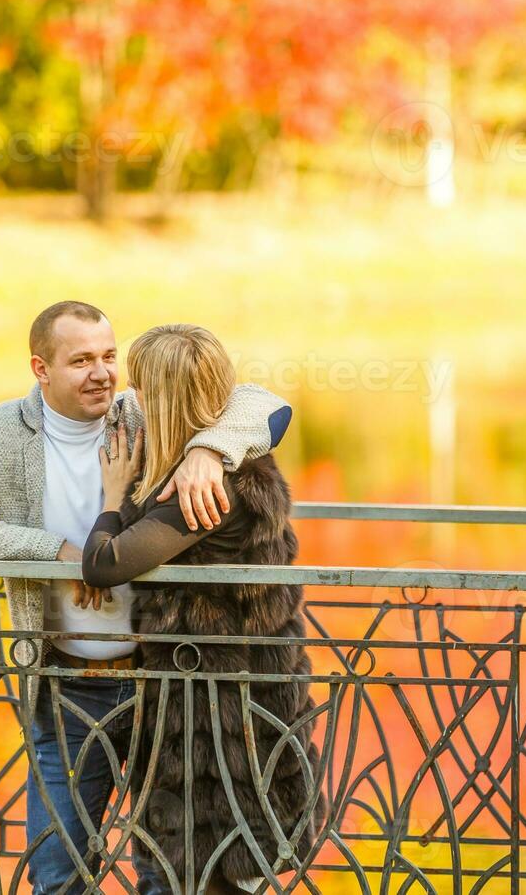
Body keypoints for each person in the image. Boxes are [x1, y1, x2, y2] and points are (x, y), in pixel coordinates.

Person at [0, 301, 293, 895]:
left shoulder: (141, 412)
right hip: (67, 690)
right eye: (82, 360)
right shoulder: (1, 431)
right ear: (41, 368)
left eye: (110, 357)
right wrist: (57, 551)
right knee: (59, 871)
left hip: (160, 685)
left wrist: (207, 451)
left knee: (168, 873)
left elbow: (263, 404)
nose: (102, 374)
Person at [83, 324, 325, 894]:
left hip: (221, 724)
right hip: (220, 701)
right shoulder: (213, 461)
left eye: (142, 388)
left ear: (167, 401)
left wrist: (115, 500)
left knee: (208, 870)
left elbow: (105, 564)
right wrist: (205, 446)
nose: (130, 397)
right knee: (199, 873)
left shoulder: (209, 492)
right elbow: (260, 398)